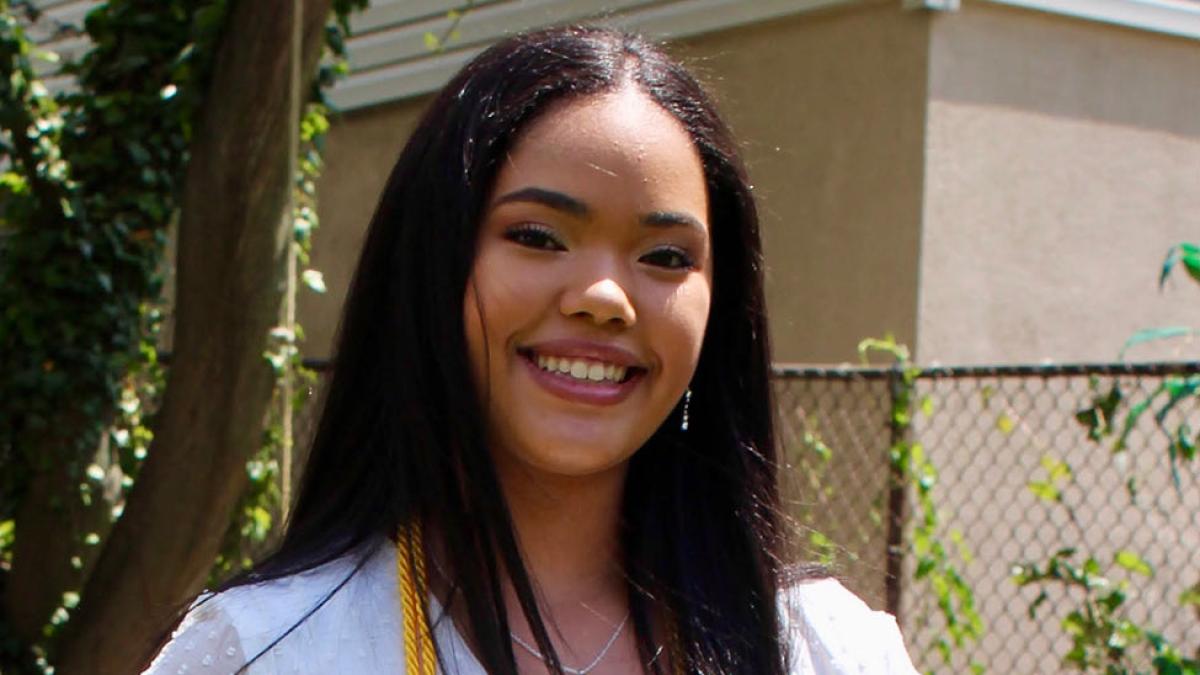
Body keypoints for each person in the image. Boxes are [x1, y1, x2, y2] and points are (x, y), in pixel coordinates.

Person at [144, 25, 918, 675]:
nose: (605, 297)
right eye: (537, 237)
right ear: (432, 268)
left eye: (666, 256)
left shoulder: (826, 652)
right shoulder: (266, 651)